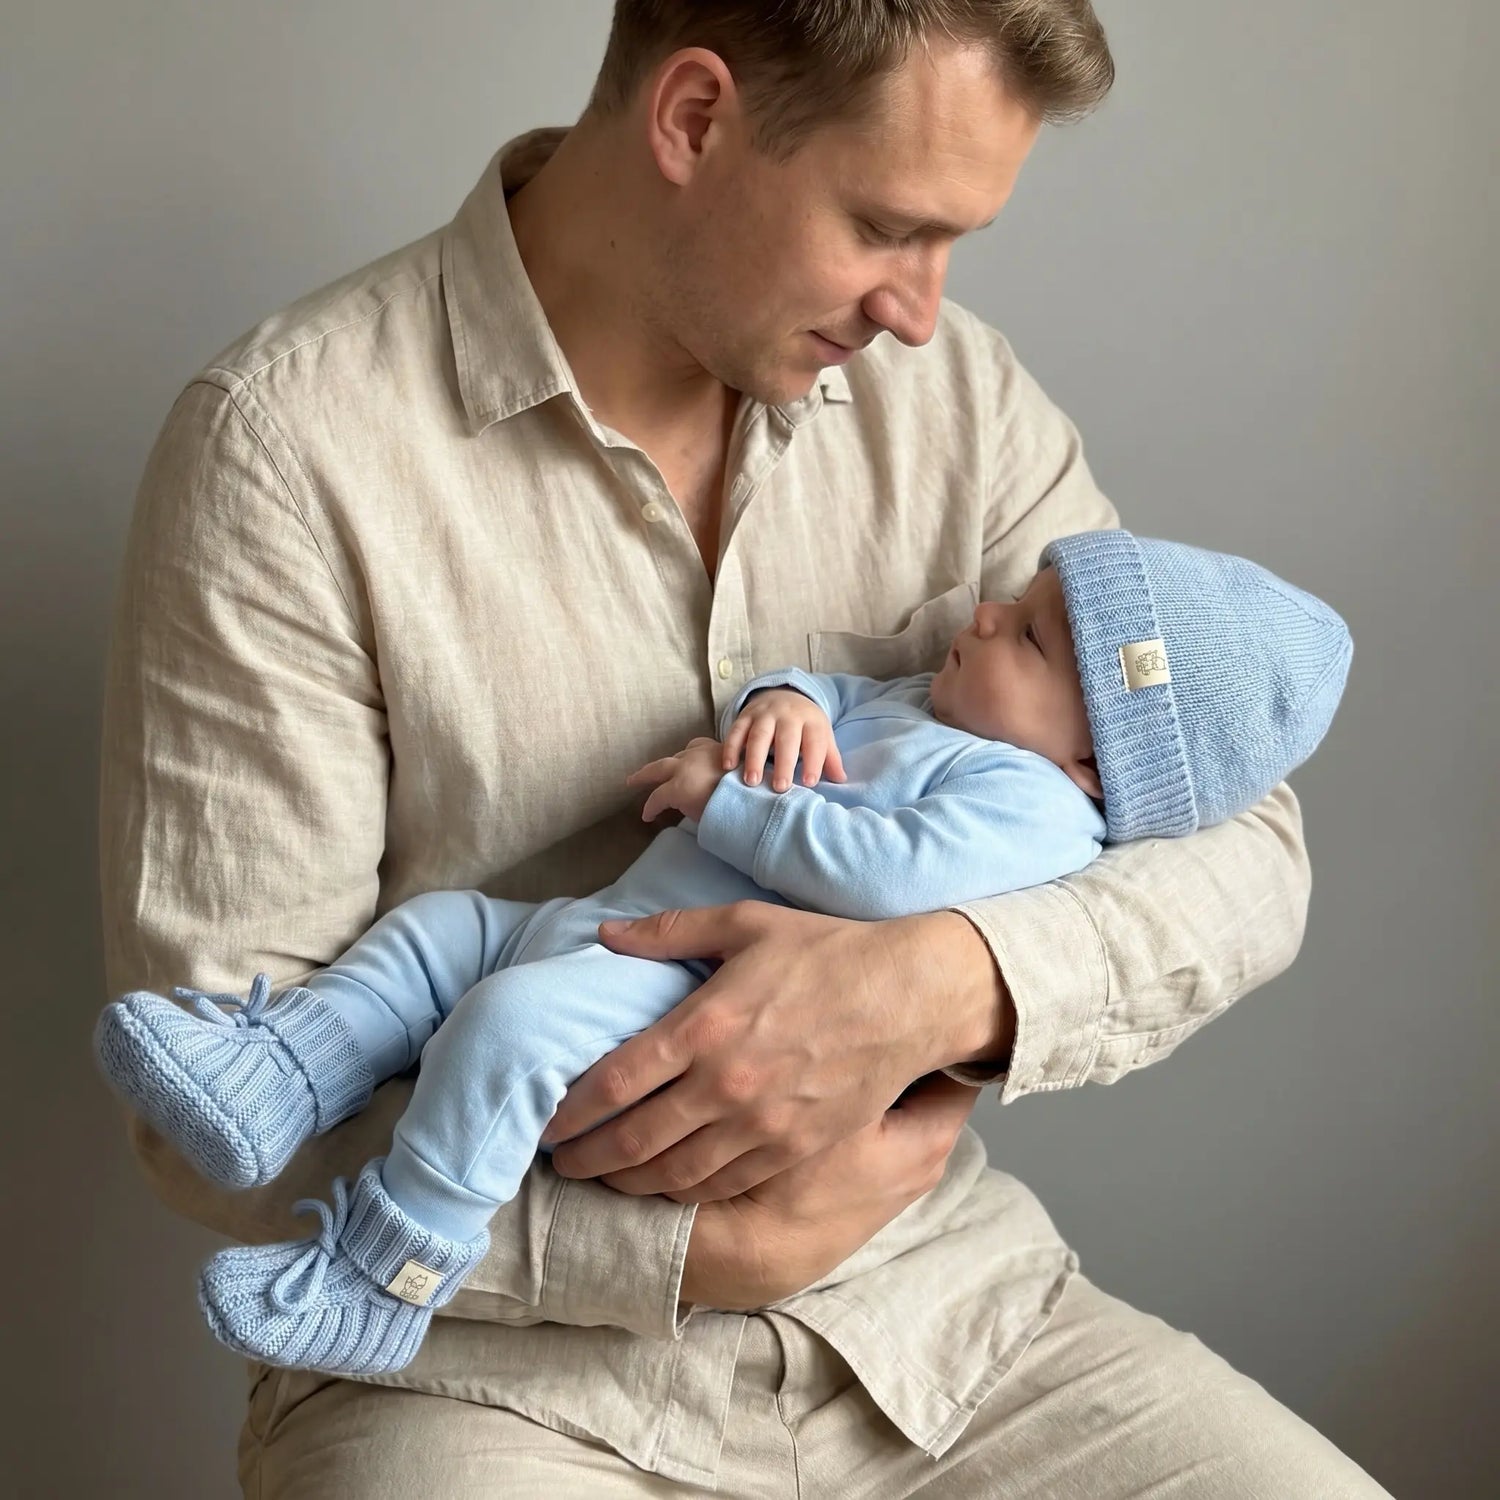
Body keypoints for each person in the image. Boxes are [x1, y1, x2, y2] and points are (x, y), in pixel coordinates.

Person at [97, 2, 1393, 1494]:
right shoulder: (286, 450)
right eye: (887, 226)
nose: (919, 306)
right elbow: (210, 1126)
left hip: (940, 1327)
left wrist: (943, 982)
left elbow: (1243, 842)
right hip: (482, 1380)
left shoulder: (958, 399)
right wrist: (717, 1244)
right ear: (696, 118)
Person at [95, 530, 1353, 1377]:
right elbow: (824, 694)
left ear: (1097, 763)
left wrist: (729, 801)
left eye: (1026, 637)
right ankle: (284, 1072)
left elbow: (886, 875)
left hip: (680, 986)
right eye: (1017, 600)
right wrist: (785, 705)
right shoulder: (932, 700)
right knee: (436, 936)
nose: (984, 614)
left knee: (504, 1036)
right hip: (599, 921)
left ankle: (387, 1271)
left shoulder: (1029, 807)